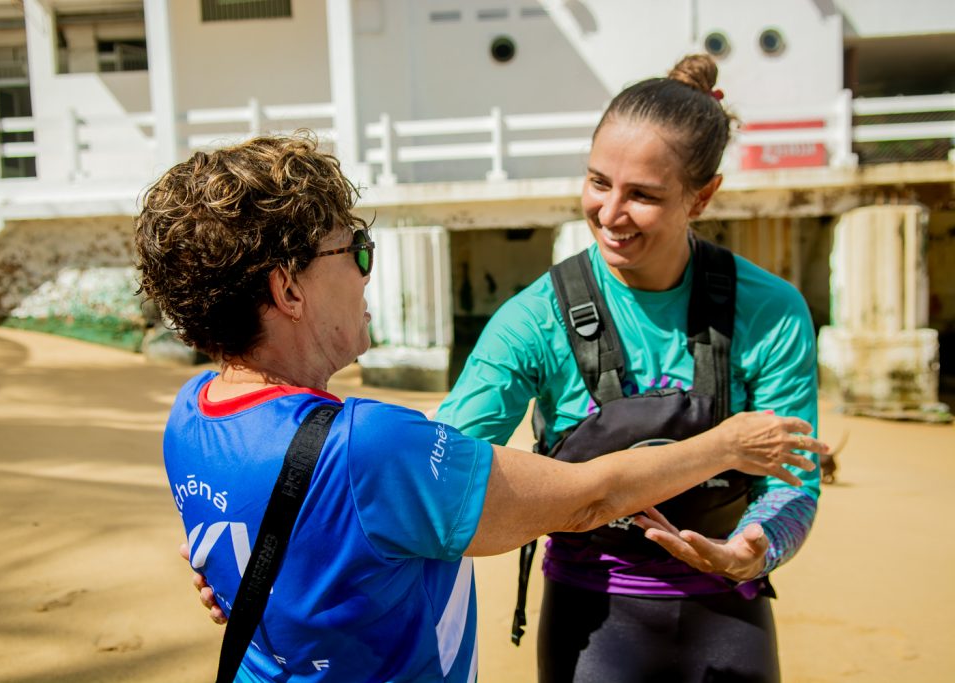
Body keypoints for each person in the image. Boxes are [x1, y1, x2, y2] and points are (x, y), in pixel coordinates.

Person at [139, 133, 825, 682]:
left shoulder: (189, 413)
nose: (368, 270)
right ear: (289, 289)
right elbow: (586, 500)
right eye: (358, 250)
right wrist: (729, 445)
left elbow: (269, 532)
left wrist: (237, 562)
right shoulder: (371, 444)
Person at [434, 54, 822, 682]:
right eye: (597, 182)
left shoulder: (769, 310)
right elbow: (443, 474)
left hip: (729, 614)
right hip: (592, 622)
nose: (610, 214)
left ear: (703, 197)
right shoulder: (533, 321)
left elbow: (793, 481)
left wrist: (752, 551)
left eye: (642, 195)